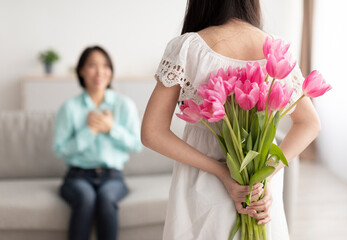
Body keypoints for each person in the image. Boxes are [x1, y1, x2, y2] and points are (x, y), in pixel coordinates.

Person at [141, 0, 321, 239]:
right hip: (260, 192)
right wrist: (264, 175)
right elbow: (310, 123)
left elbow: (151, 132)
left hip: (203, 180)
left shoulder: (188, 47)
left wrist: (222, 171)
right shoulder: (276, 48)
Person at [53, 46, 143, 240]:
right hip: (77, 177)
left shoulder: (124, 105)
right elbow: (60, 150)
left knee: (106, 198)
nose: (100, 72)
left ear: (111, 71)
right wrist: (89, 132)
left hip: (113, 177)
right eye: (92, 65)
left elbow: (137, 144)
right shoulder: (69, 108)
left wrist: (111, 128)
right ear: (81, 71)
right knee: (86, 198)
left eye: (105, 66)